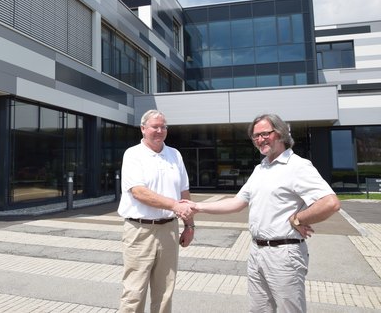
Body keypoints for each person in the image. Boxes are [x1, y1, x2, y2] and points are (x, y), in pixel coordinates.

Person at [187, 113, 341, 313]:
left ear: (280, 133)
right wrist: (198, 207)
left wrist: (297, 219)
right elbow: (237, 203)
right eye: (255, 136)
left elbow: (330, 203)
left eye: (265, 134)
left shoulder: (297, 166)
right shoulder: (260, 169)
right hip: (256, 252)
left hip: (284, 254)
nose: (260, 140)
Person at [117, 109, 194, 313]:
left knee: (165, 293)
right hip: (140, 231)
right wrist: (174, 205)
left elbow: (184, 192)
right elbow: (139, 192)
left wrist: (189, 225)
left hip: (169, 230)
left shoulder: (175, 154)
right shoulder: (133, 154)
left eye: (163, 127)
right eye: (155, 127)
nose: (160, 131)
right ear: (143, 129)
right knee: (134, 293)